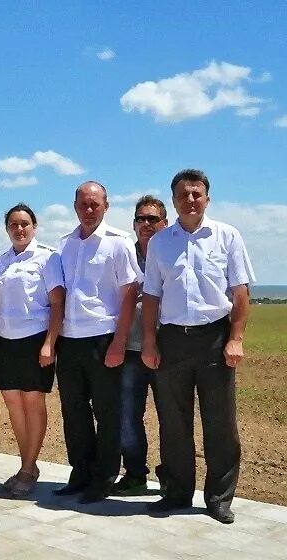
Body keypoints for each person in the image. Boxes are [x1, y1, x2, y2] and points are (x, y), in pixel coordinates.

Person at [141, 169, 255, 524]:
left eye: (197, 193)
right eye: (183, 194)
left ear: (207, 198)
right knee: (173, 422)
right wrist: (149, 341)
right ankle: (176, 492)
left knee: (219, 422)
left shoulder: (227, 236)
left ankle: (219, 498)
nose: (190, 199)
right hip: (172, 339)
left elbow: (240, 293)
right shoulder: (161, 242)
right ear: (173, 200)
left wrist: (235, 338)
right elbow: (151, 295)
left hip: (214, 338)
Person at [54, 181, 140, 504]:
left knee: (107, 413)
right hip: (70, 340)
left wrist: (119, 343)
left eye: (95, 204)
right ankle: (80, 473)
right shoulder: (65, 245)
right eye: (83, 204)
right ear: (75, 206)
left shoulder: (118, 244)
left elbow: (130, 295)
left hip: (103, 339)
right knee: (73, 412)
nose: (89, 210)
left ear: (106, 206)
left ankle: (104, 477)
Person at [0, 203, 64, 497]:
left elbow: (58, 303)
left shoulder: (47, 258)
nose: (19, 229)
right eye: (13, 225)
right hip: (5, 339)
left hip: (35, 339)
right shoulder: (1, 261)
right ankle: (28, 465)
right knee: (13, 403)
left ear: (34, 227)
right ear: (7, 228)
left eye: (24, 224)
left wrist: (50, 343)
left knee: (33, 403)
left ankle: (28, 467)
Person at [114, 195, 169, 495]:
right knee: (127, 415)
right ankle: (135, 473)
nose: (146, 224)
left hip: (170, 347)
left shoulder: (173, 253)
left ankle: (170, 474)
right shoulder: (124, 253)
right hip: (130, 348)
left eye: (153, 219)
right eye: (141, 219)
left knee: (171, 415)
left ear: (165, 222)